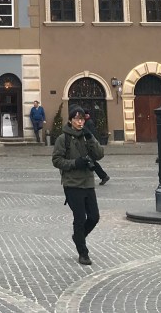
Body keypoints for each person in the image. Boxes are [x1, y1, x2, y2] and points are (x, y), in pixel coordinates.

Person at [52, 106, 105, 265]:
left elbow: (99, 154)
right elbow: (57, 160)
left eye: (82, 119)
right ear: (70, 120)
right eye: (77, 119)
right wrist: (75, 163)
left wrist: (91, 138)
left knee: (94, 217)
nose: (80, 122)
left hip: (88, 182)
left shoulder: (87, 136)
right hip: (72, 184)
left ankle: (78, 237)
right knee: (80, 218)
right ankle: (83, 252)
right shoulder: (63, 139)